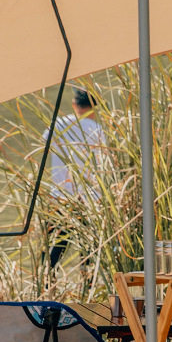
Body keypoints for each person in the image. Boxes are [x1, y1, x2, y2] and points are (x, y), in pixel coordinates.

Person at [44, 86, 106, 267]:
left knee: (55, 247)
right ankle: (87, 281)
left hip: (60, 196)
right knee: (88, 249)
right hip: (89, 199)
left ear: (74, 104)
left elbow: (44, 143)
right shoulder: (97, 130)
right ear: (95, 107)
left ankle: (47, 280)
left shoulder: (59, 125)